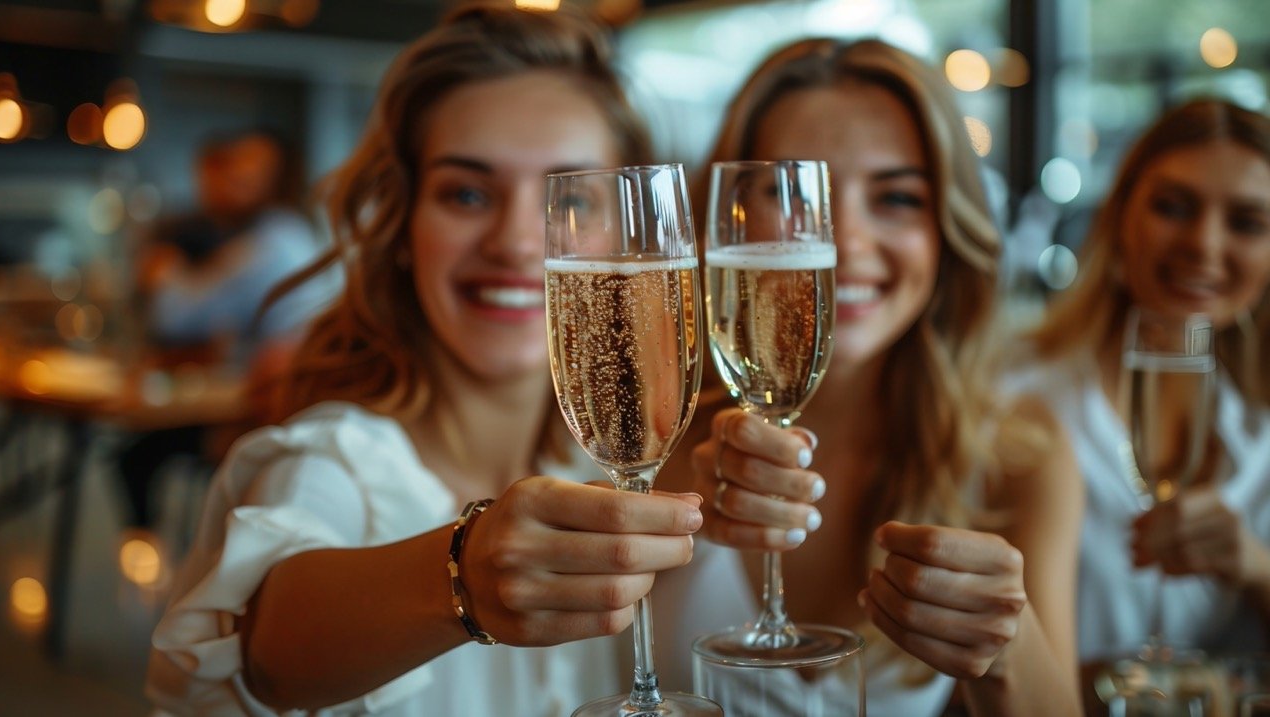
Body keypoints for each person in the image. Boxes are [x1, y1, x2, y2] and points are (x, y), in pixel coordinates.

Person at [145, 4, 704, 715]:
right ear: (403, 226)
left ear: (631, 235)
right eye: (468, 193)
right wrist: (463, 577)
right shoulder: (332, 461)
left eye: (568, 201)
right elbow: (269, 650)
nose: (513, 241)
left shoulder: (629, 458)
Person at [651, 38, 1083, 716]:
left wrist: (1008, 644)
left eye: (897, 198)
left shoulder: (1019, 452)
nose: (844, 242)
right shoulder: (647, 439)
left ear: (947, 230)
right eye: (790, 190)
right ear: (722, 217)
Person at [1018, 98, 1270, 691]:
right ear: (1119, 217)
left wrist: (1256, 568)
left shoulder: (1259, 422)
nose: (1204, 246)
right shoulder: (1016, 399)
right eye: (1172, 207)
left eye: (1247, 222)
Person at [117, 128, 329, 531]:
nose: (227, 184)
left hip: (273, 416)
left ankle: (149, 562)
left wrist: (163, 272)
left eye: (245, 172)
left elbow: (174, 315)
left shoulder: (268, 243)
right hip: (290, 403)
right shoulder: (295, 234)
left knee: (136, 457)